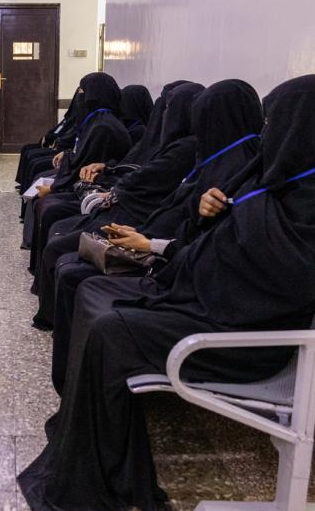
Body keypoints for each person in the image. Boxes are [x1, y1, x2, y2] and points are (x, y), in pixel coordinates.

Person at [18, 74, 315, 511]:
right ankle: (86, 438)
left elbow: (284, 282)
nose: (267, 133)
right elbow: (219, 247)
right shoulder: (279, 182)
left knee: (110, 328)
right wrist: (209, 215)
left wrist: (240, 213)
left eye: (275, 121)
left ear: (304, 126)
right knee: (98, 301)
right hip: (211, 306)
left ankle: (105, 473)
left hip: (249, 337)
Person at [50, 79, 264, 391]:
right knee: (70, 262)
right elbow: (182, 215)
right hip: (164, 250)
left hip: (182, 276)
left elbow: (222, 250)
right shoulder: (215, 161)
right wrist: (143, 233)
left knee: (74, 271)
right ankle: (73, 380)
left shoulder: (238, 171)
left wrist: (151, 244)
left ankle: (80, 386)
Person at [29, 82, 203, 315]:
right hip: (121, 204)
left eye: (170, 107)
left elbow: (143, 179)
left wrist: (110, 185)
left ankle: (50, 315)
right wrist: (108, 172)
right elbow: (132, 168)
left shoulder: (183, 149)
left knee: (57, 230)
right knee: (54, 221)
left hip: (136, 219)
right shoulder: (163, 142)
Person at [22, 73, 132, 257]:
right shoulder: (96, 122)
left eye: (82, 90)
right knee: (41, 192)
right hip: (86, 182)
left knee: (48, 205)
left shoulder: (103, 127)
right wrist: (66, 157)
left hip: (98, 188)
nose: (79, 95)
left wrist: (53, 188)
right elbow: (81, 158)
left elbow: (84, 166)